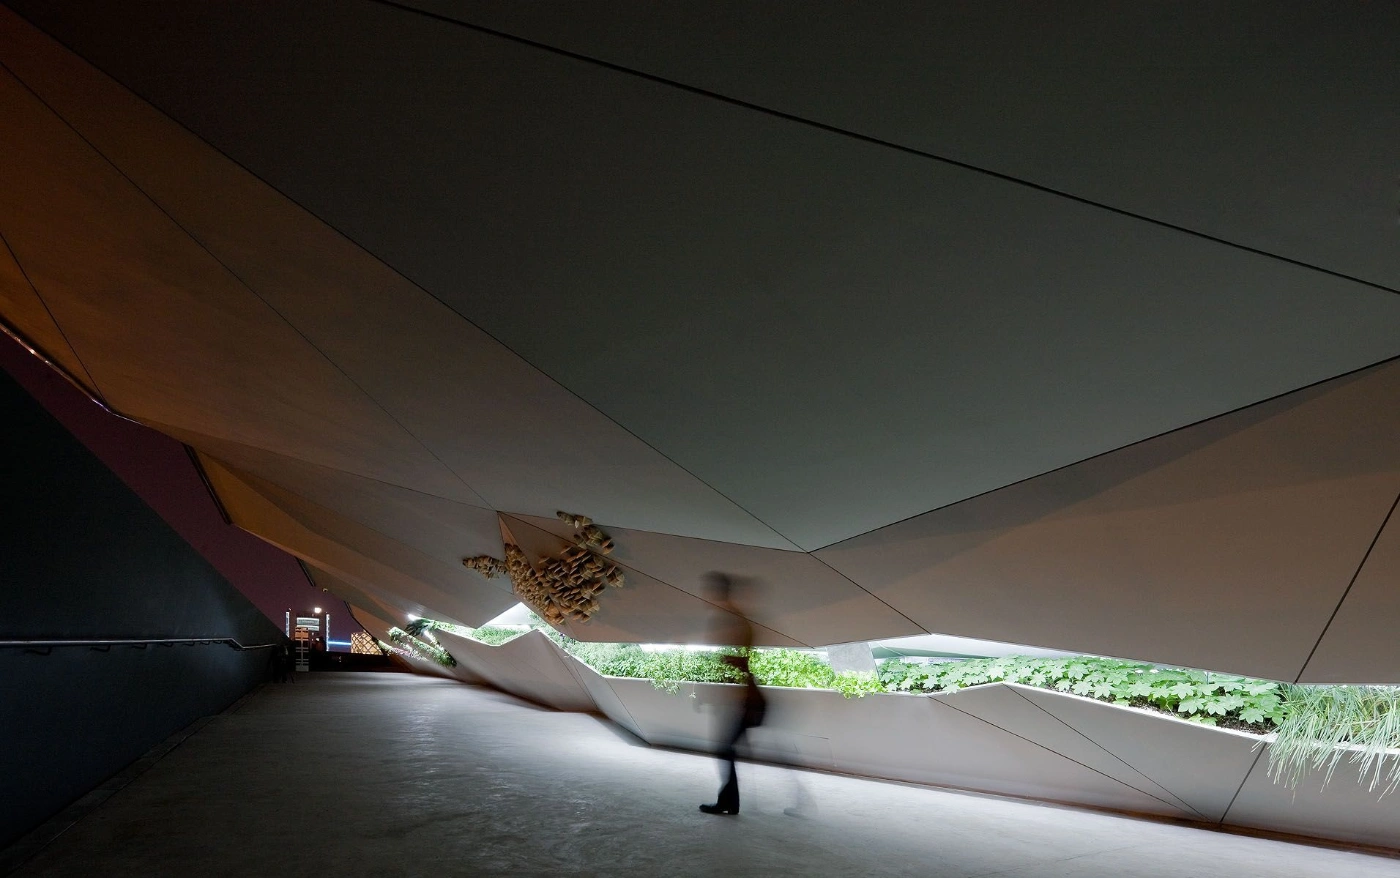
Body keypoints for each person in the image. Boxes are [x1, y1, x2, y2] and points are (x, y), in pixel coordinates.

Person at [699, 572, 765, 816]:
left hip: (748, 701)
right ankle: (729, 802)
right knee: (728, 749)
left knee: (726, 749)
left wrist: (731, 660)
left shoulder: (732, 619)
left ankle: (729, 802)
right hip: (747, 700)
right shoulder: (735, 618)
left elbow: (743, 660)